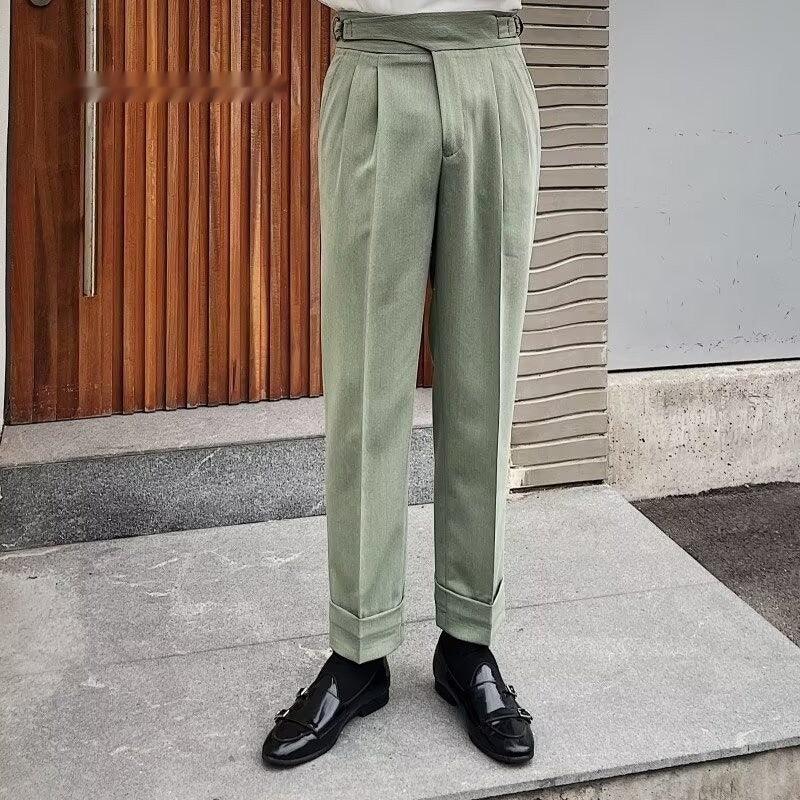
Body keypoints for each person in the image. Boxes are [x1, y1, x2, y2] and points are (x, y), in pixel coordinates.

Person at [262, 0, 540, 767]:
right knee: (363, 387)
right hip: (375, 58)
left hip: (491, 56)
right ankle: (358, 650)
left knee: (485, 383)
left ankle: (468, 644)